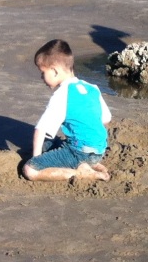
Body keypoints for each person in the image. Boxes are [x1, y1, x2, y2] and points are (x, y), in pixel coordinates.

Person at [22, 39, 112, 181]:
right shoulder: (92, 87)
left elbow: (40, 129)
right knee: (50, 143)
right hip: (99, 151)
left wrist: (36, 160)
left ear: (54, 71)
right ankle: (92, 164)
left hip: (79, 152)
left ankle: (82, 173)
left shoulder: (61, 95)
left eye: (42, 72)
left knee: (30, 170)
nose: (41, 78)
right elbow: (106, 119)